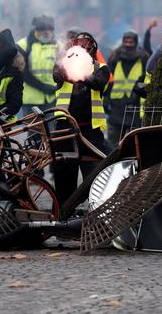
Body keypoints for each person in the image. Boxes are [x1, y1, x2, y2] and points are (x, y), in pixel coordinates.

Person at [52, 32, 110, 203]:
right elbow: (57, 75)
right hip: (65, 125)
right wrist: (68, 63)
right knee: (63, 166)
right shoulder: (63, 64)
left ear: (92, 48)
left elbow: (98, 83)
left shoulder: (101, 68)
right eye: (79, 43)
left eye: (86, 44)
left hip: (89, 127)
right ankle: (64, 206)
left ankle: (96, 203)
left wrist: (82, 73)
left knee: (94, 169)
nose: (83, 46)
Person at [105, 30, 149, 145]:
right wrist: (105, 100)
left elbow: (146, 80)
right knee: (113, 143)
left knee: (134, 143)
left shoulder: (143, 58)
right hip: (116, 106)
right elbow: (108, 80)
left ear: (135, 42)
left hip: (134, 107)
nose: (128, 44)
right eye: (126, 42)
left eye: (131, 42)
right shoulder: (114, 57)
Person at [16, 15, 59, 115]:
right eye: (44, 32)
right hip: (31, 101)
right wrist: (43, 87)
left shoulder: (59, 46)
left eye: (50, 31)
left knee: (51, 130)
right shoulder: (23, 45)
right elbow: (22, 72)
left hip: (52, 99)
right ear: (36, 30)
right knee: (34, 130)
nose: (47, 34)